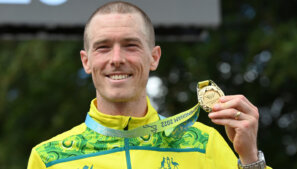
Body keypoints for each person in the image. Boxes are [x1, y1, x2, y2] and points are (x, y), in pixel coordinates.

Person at [27, 1, 271, 169]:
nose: (116, 59)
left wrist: (249, 158)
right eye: (103, 47)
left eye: (131, 45)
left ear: (154, 57)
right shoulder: (48, 158)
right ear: (86, 61)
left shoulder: (203, 144)